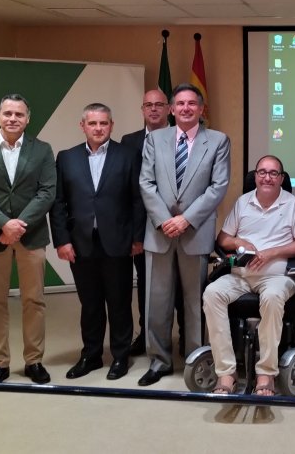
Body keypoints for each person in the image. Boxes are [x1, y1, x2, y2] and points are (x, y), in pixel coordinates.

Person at [138, 83, 230, 386]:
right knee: (157, 301)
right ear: (171, 109)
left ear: (201, 109)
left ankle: (196, 360)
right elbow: (146, 183)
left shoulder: (217, 141)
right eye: (180, 103)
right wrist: (166, 220)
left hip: (195, 233)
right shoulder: (155, 139)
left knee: (195, 304)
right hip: (160, 233)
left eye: (192, 103)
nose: (186, 108)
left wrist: (186, 220)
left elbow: (217, 187)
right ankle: (159, 361)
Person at [0, 93, 56, 384]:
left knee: (35, 301)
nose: (13, 119)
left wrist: (19, 226)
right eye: (8, 113)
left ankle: (34, 361)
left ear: (28, 119)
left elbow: (47, 192)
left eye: (19, 114)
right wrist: (3, 225)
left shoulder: (42, 150)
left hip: (31, 236)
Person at [50, 103, 145, 380]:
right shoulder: (66, 158)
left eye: (104, 123)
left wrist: (137, 238)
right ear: (83, 126)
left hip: (118, 242)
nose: (98, 128)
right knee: (89, 304)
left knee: (119, 302)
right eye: (92, 124)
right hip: (80, 244)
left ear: (112, 125)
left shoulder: (127, 155)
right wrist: (62, 240)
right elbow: (58, 203)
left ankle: (120, 356)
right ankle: (91, 355)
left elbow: (137, 201)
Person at [203, 155, 295, 396]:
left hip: (277, 278)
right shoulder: (243, 202)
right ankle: (226, 373)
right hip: (240, 276)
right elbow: (222, 239)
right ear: (255, 176)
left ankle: (266, 374)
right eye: (262, 172)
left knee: (272, 298)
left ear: (281, 179)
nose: (267, 177)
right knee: (212, 293)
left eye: (273, 173)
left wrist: (273, 253)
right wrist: (237, 240)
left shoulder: (291, 203)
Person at [120, 90, 185, 357]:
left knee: (182, 287)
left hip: (182, 225)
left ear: (169, 109)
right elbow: (131, 189)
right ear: (142, 109)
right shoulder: (129, 141)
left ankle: (185, 337)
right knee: (148, 289)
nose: (154, 110)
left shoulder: (182, 137)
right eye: (149, 105)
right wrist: (135, 234)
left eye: (160, 105)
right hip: (144, 229)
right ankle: (147, 336)